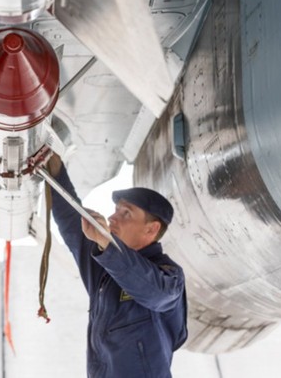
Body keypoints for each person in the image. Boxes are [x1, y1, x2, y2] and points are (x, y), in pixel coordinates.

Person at [46, 154, 188, 378]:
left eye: (126, 213)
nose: (112, 217)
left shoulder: (169, 276)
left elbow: (156, 293)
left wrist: (106, 243)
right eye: (116, 210)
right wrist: (52, 167)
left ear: (151, 229)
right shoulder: (104, 269)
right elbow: (72, 222)